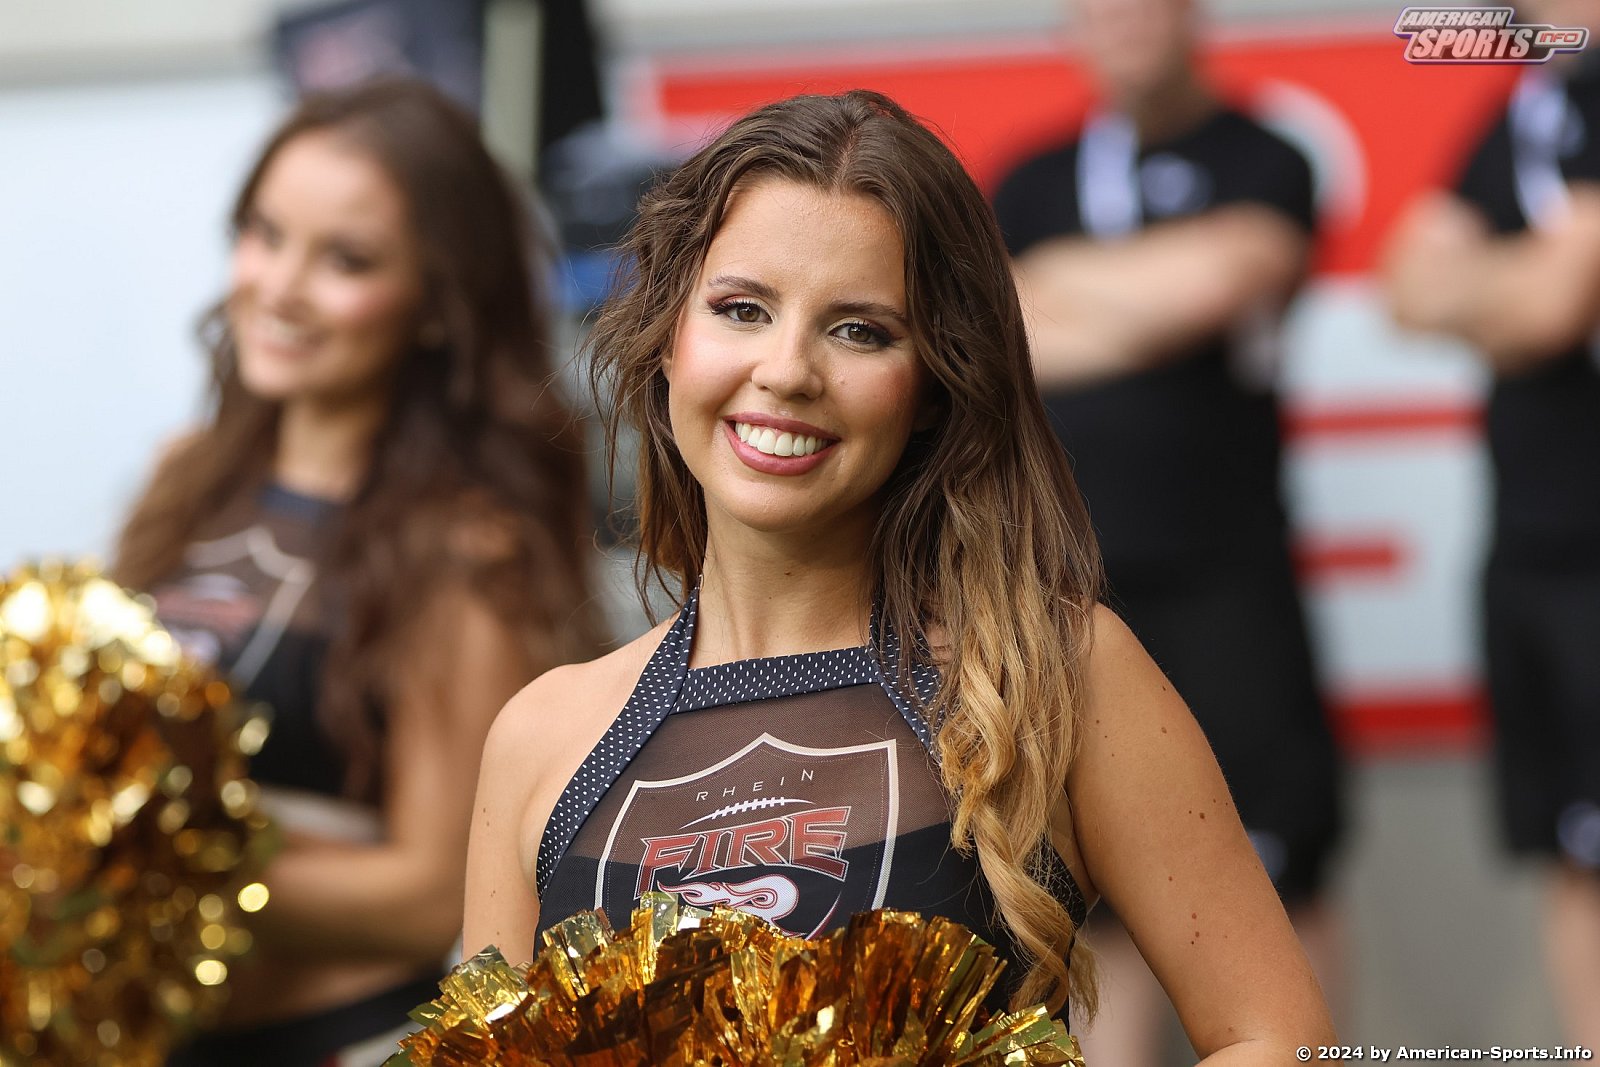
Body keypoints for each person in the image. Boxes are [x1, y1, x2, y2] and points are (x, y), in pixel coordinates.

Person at [464, 89, 1335, 1059]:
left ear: (932, 385)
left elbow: (1278, 1034)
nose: (787, 370)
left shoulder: (1054, 675)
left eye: (860, 330)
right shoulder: (542, 735)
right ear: (669, 337)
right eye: (742, 309)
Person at [111, 80, 603, 1066]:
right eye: (265, 234)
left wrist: (145, 873)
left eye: (346, 260)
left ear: (436, 303)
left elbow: (434, 891)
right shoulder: (186, 476)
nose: (280, 287)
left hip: (339, 1041)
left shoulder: (461, 545)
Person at [989, 0, 1343, 1058]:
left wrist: (1061, 292)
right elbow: (998, 330)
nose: (1122, 21)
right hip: (1069, 583)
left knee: (1286, 864)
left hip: (1229, 574)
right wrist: (1132, 309)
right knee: (1096, 895)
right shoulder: (1029, 179)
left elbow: (1224, 278)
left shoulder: (1266, 155)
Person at [1382, 1, 1600, 1047]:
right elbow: (1405, 285)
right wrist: (1518, 289)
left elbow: (1554, 303)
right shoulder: (1526, 105)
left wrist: (1498, 289)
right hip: (1534, 546)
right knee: (1573, 849)